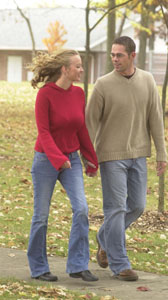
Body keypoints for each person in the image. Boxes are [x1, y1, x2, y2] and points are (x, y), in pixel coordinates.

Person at [86, 36, 167, 281]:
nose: (114, 59)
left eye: (119, 55)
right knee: (116, 208)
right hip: (110, 156)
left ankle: (103, 238)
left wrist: (161, 153)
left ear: (133, 55)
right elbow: (89, 123)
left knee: (138, 206)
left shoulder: (148, 80)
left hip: (139, 155)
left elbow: (155, 118)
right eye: (112, 55)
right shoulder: (103, 84)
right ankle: (120, 264)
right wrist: (88, 156)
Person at [27, 49, 99, 282]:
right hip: (46, 160)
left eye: (81, 66)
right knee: (41, 216)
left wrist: (91, 158)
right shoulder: (45, 95)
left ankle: (78, 265)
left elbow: (81, 128)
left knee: (81, 209)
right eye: (77, 66)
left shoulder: (78, 94)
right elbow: (44, 132)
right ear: (64, 69)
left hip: (72, 159)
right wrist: (58, 159)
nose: (81, 70)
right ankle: (39, 268)